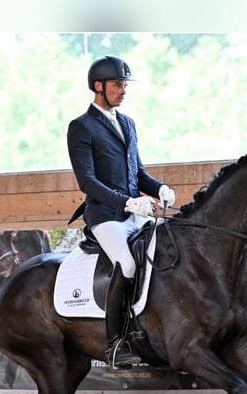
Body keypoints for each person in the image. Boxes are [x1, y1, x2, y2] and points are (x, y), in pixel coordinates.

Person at [67, 55, 176, 369]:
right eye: (117, 85)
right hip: (104, 215)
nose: (123, 90)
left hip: (134, 212)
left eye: (124, 85)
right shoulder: (81, 127)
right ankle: (115, 344)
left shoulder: (127, 123)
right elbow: (87, 181)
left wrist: (158, 189)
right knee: (127, 264)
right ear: (98, 87)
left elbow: (137, 173)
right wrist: (127, 203)